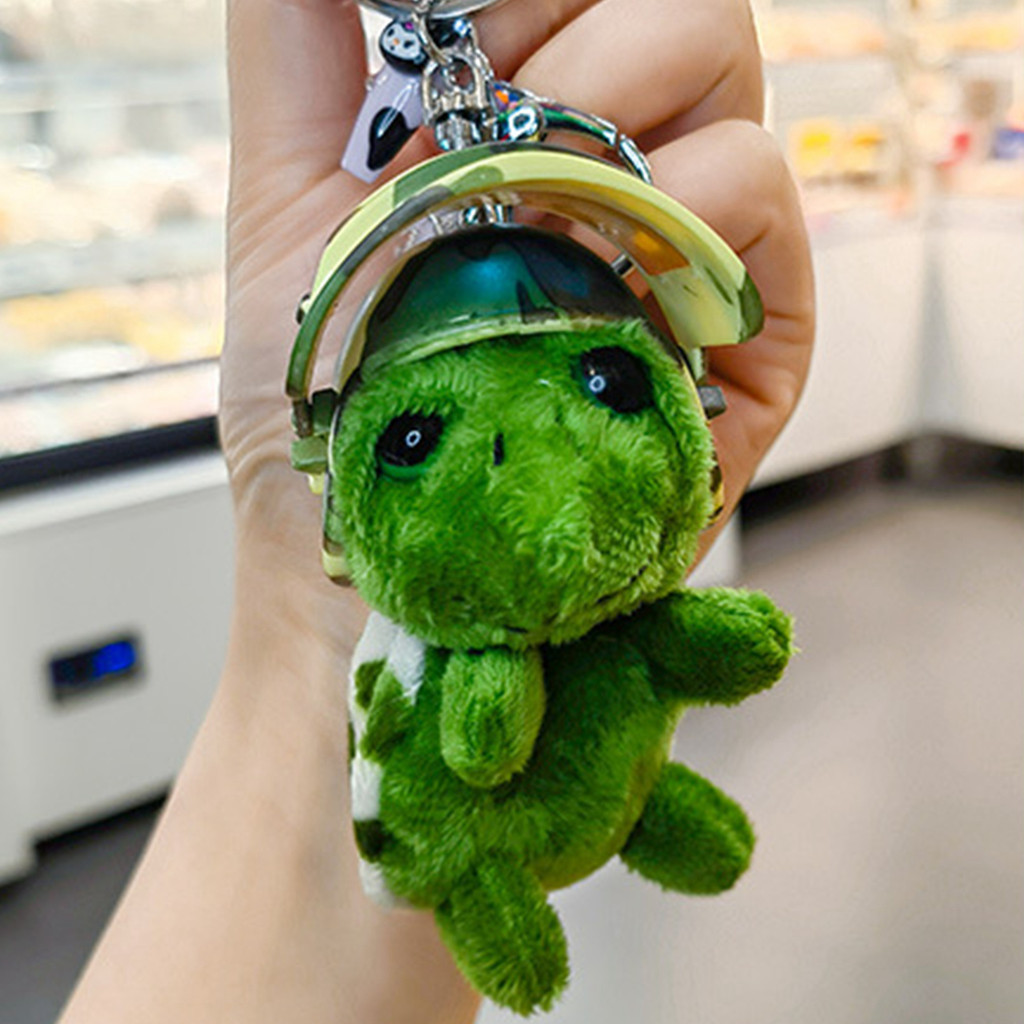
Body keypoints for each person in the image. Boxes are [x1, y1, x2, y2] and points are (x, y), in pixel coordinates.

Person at [59, 1, 814, 1021]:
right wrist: (310, 627)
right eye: (410, 442)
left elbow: (662, 663)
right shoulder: (419, 614)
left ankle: (648, 816)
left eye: (611, 383)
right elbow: (480, 743)